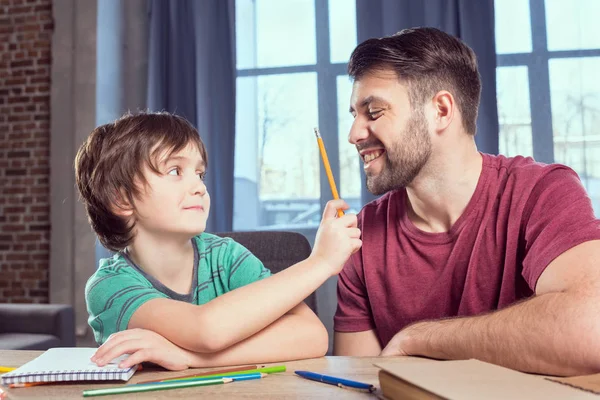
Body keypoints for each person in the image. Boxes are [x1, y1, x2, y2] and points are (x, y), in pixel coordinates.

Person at [333, 27, 600, 376]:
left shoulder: (541, 192)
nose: (353, 134)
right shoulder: (360, 238)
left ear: (441, 110)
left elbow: (591, 327)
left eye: (374, 111)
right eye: (354, 115)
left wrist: (419, 338)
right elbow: (360, 383)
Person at [76, 111, 362, 370]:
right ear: (121, 198)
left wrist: (189, 359)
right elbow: (205, 330)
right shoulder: (108, 287)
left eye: (200, 173)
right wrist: (320, 263)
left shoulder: (225, 256)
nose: (199, 187)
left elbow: (311, 336)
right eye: (175, 171)